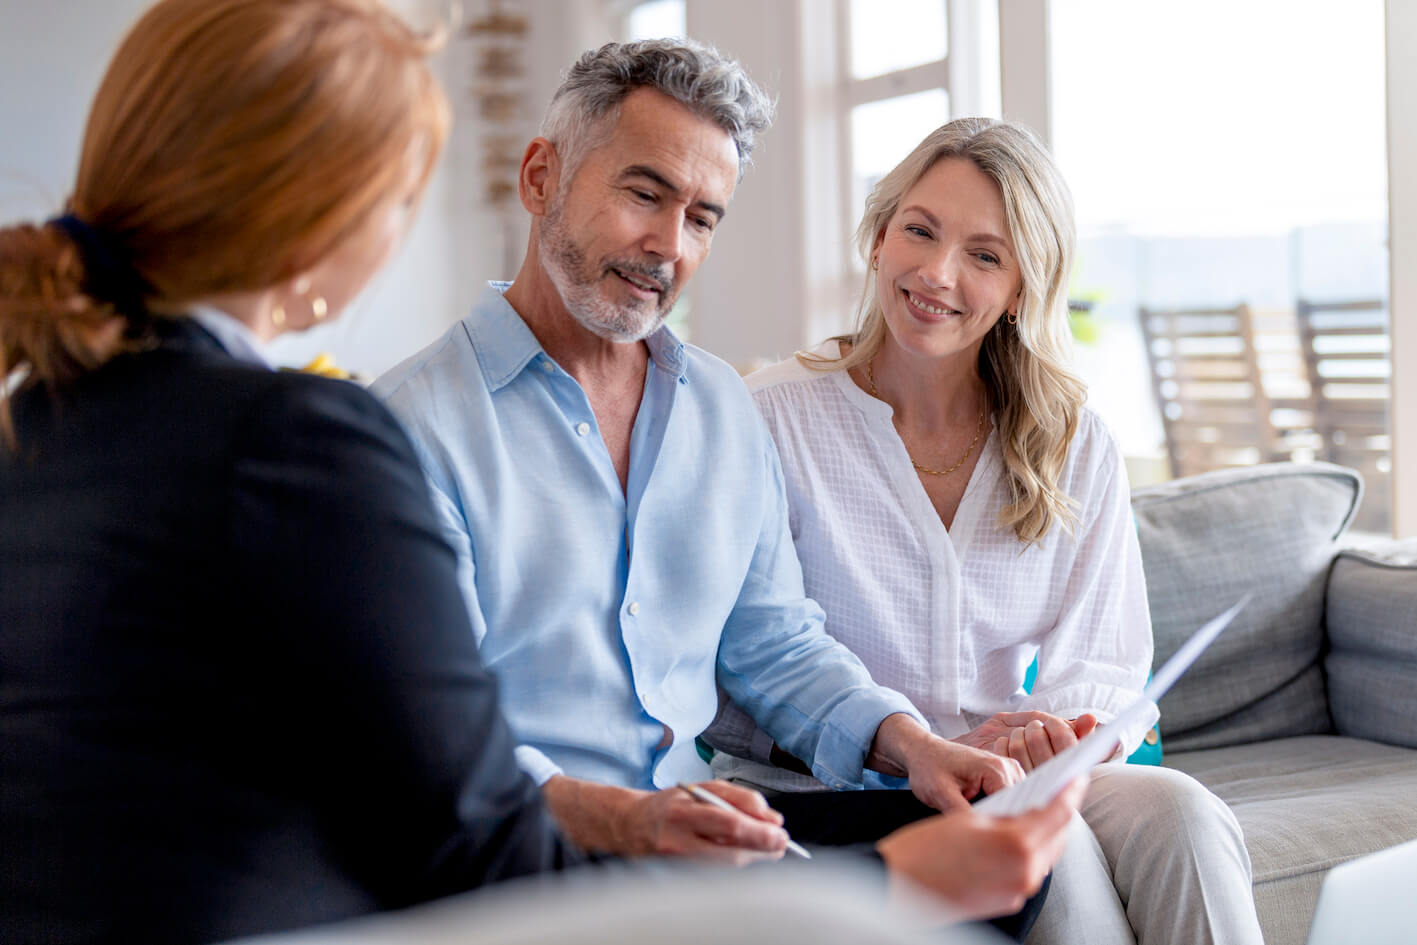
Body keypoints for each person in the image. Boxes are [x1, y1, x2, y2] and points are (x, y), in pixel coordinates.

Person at [373, 40, 1079, 938]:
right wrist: (631, 821)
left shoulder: (715, 405)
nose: (668, 245)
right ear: (541, 176)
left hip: (694, 831)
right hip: (527, 854)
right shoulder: (405, 427)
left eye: (702, 217)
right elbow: (434, 740)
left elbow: (776, 642)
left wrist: (916, 747)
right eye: (643, 193)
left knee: (989, 860)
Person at [0, 2, 589, 942]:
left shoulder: (27, 423)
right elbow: (485, 854)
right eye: (401, 198)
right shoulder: (295, 442)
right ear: (320, 221)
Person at [707, 117, 1266, 945]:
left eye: (984, 254)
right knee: (1053, 850)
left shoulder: (1070, 439)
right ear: (877, 236)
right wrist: (918, 747)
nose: (936, 273)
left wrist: (1050, 734)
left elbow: (1106, 664)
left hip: (1011, 768)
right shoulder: (770, 418)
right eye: (919, 231)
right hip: (830, 784)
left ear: (1019, 289)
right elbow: (743, 663)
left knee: (1187, 811)